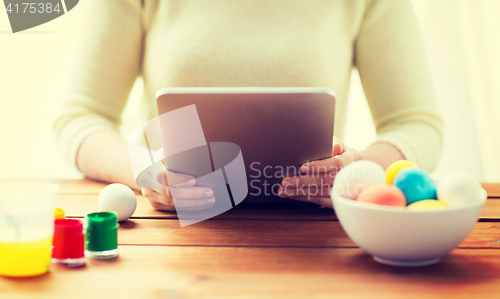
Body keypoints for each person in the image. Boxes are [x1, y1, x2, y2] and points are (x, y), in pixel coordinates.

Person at [53, 0, 443, 211]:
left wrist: (355, 172)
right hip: (172, 241)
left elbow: (416, 123)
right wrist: (145, 172)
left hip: (312, 243)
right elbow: (80, 118)